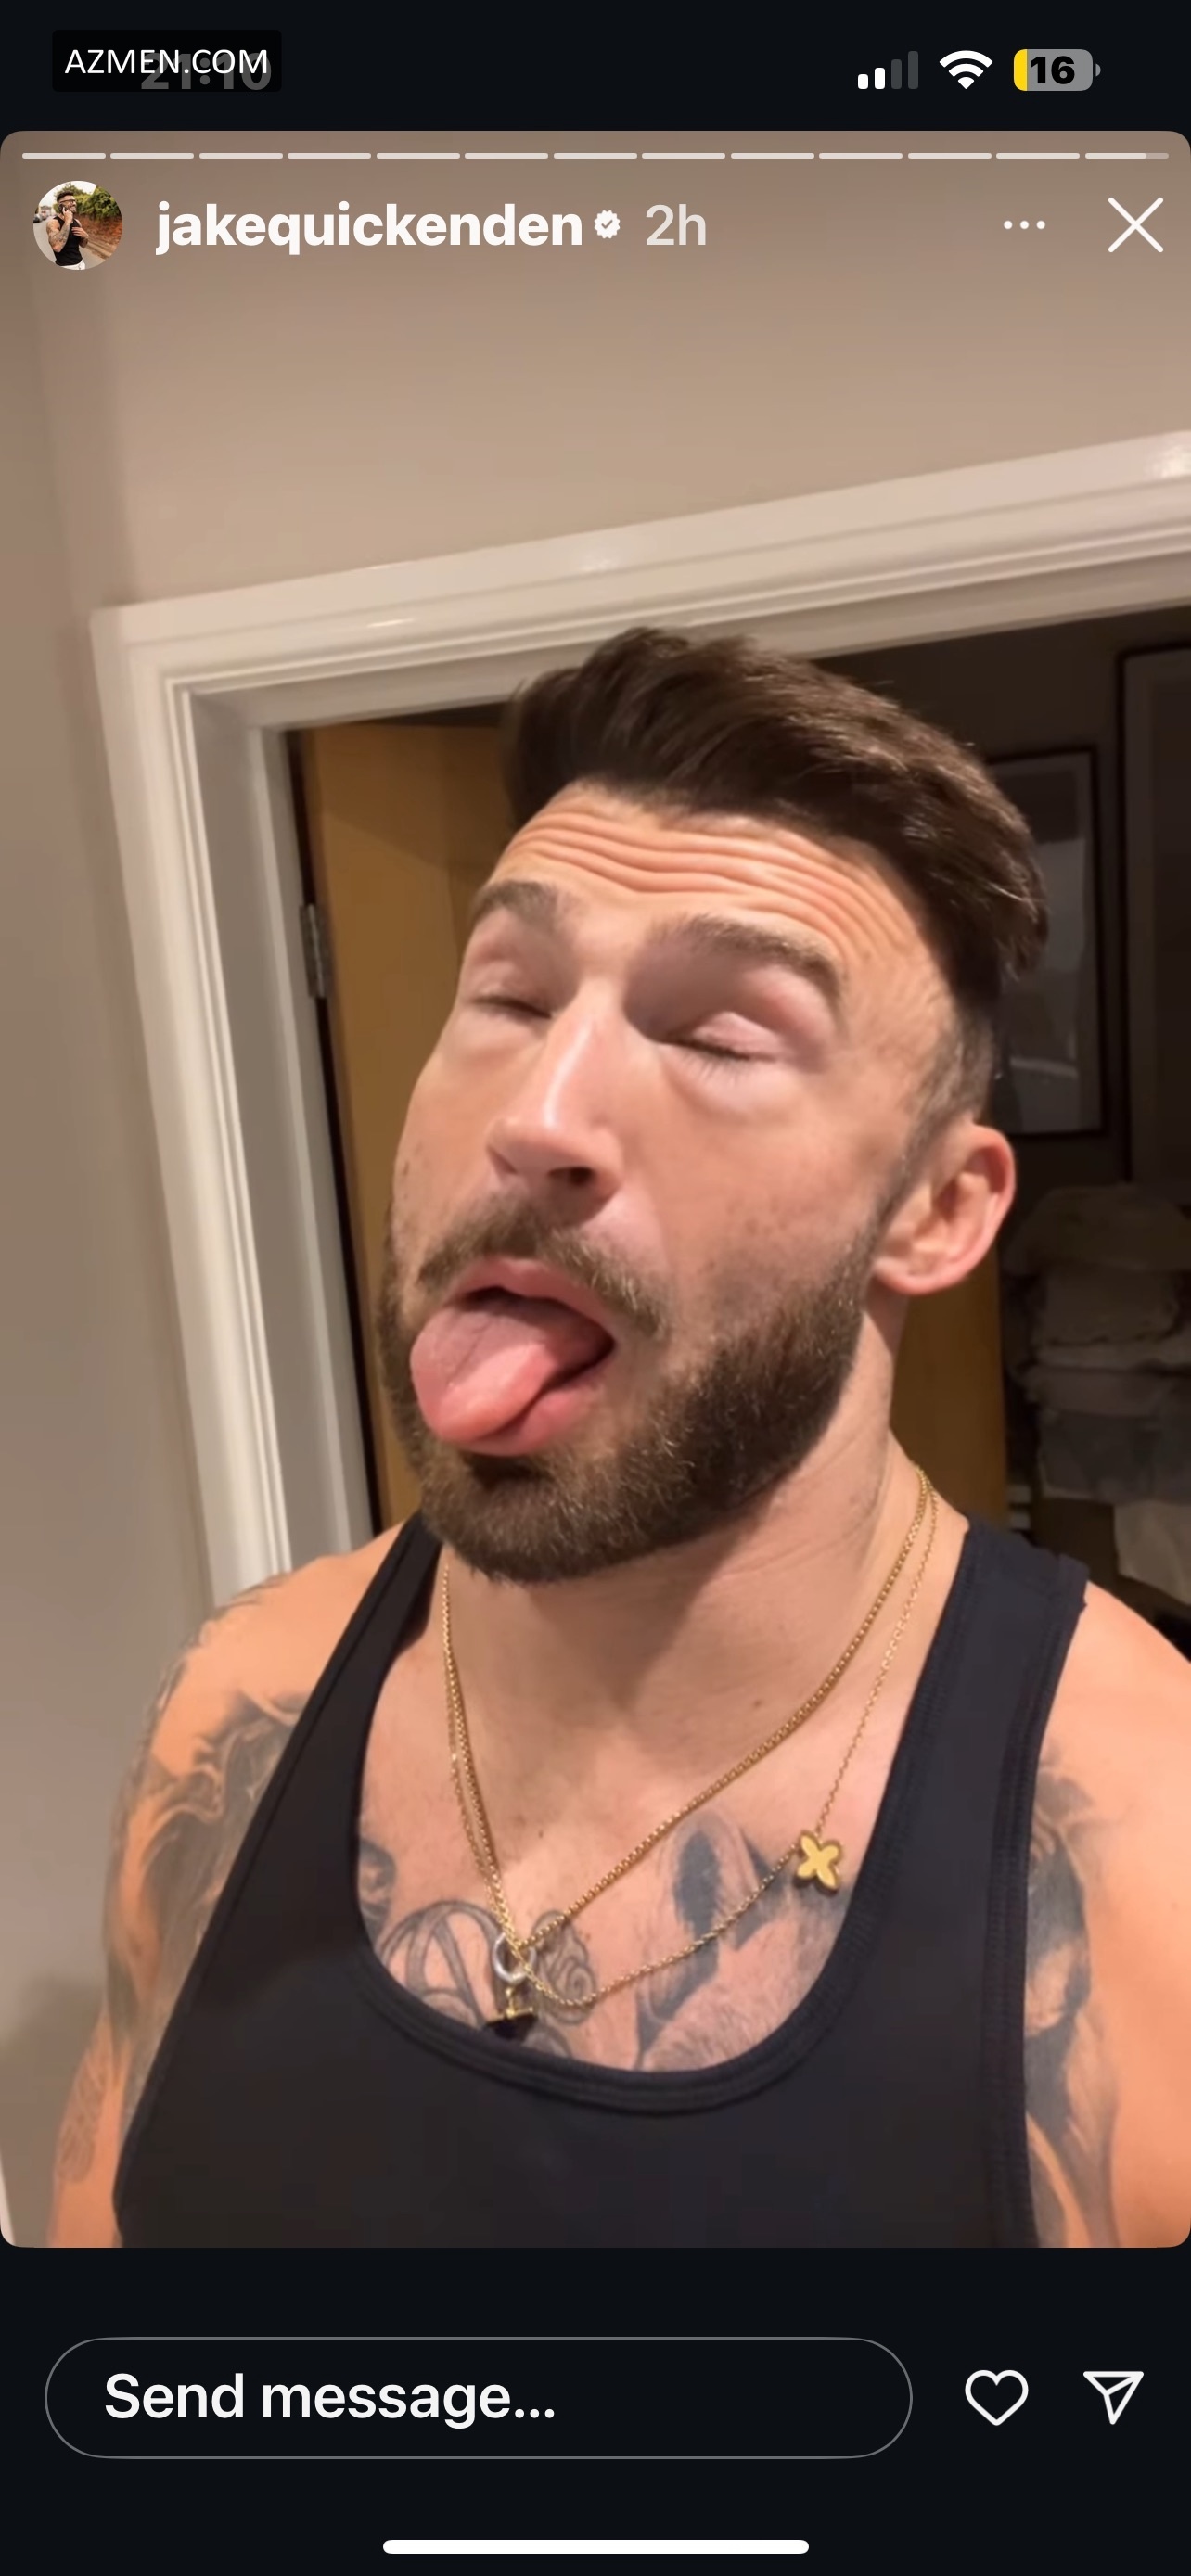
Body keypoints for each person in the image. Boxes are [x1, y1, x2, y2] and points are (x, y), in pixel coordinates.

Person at [48, 628, 1191, 2250]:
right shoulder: (233, 1710)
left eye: (717, 1035)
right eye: (508, 996)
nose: (537, 1115)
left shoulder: (1146, 1846)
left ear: (938, 1209)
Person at [45, 192, 89, 266]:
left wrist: (86, 237)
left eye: (74, 201)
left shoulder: (77, 222)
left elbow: (83, 245)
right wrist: (67, 221)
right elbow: (57, 247)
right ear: (61, 205)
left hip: (81, 264)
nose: (74, 203)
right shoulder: (53, 223)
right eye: (70, 201)